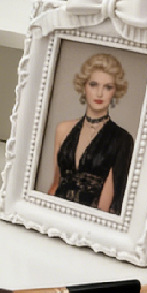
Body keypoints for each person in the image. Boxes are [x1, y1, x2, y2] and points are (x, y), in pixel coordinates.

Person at [47, 52, 134, 214]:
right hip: (54, 212)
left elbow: (108, 204)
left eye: (108, 87)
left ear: (115, 91)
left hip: (90, 219)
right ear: (84, 87)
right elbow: (55, 185)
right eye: (93, 84)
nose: (99, 93)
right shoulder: (63, 129)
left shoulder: (121, 139)